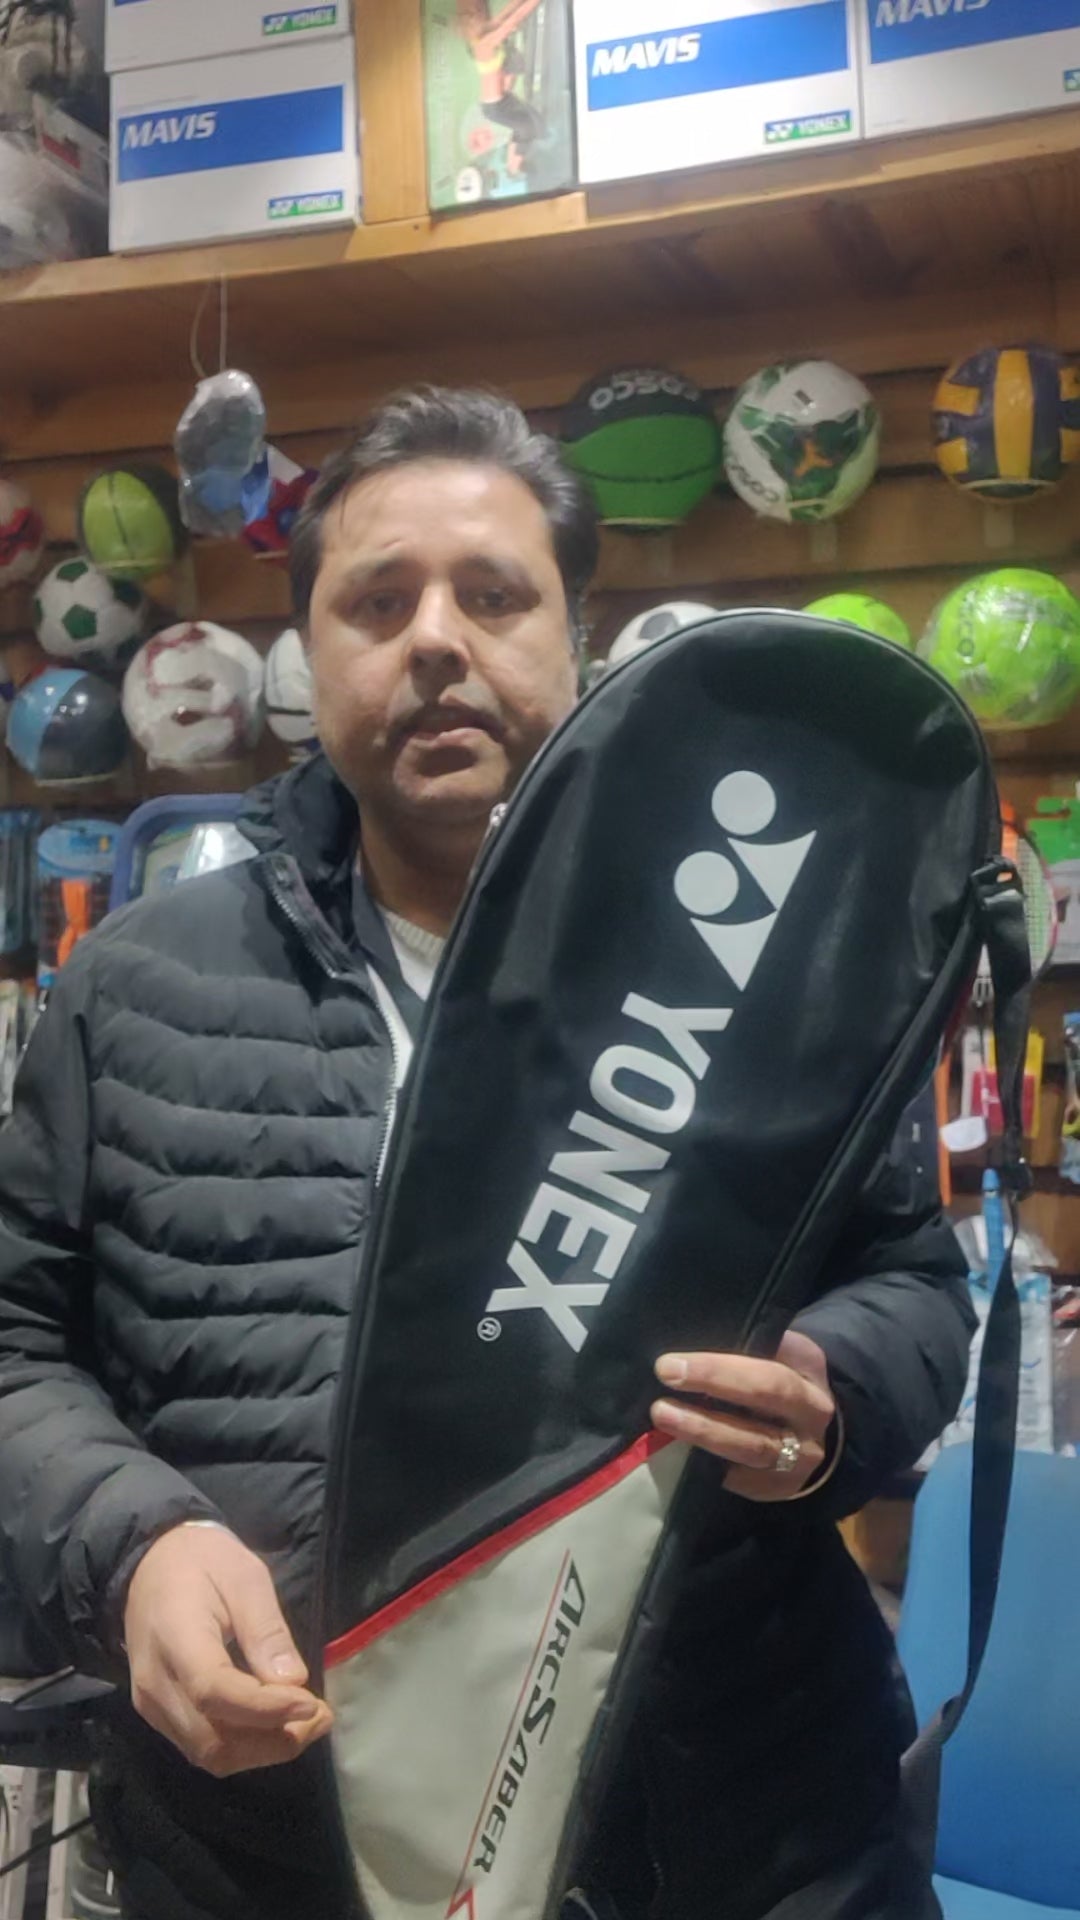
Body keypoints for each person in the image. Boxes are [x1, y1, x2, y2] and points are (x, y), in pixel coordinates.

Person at [0, 387, 973, 1920]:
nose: (437, 641)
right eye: (378, 601)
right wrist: (131, 1548)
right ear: (308, 654)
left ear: (576, 639)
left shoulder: (768, 958)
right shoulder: (135, 986)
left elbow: (913, 1283)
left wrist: (831, 1395)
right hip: (271, 1847)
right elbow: (14, 1344)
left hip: (741, 1826)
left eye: (495, 595)